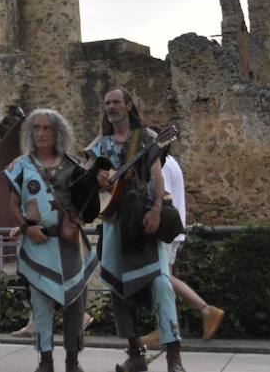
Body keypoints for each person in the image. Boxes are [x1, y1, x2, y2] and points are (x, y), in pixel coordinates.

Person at [85, 88, 183, 372]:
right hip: (115, 224)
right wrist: (98, 178)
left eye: (116, 102)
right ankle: (136, 354)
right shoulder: (99, 144)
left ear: (128, 105)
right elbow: (86, 174)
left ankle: (174, 357)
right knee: (118, 288)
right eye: (107, 103)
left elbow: (156, 176)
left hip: (143, 219)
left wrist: (155, 209)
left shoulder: (146, 139)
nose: (111, 107)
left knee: (162, 284)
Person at [3, 109, 98, 372]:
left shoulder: (73, 165)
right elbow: (13, 204)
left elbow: (88, 204)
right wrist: (25, 227)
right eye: (37, 128)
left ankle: (72, 362)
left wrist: (78, 216)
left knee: (74, 307)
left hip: (70, 246)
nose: (42, 133)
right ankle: (45, 361)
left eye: (47, 129)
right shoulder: (20, 165)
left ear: (58, 133)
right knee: (41, 307)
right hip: (38, 245)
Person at [140, 155, 224, 345]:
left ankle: (204, 310)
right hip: (173, 229)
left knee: (163, 278)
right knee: (164, 278)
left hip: (166, 230)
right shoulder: (171, 162)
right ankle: (167, 325)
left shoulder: (160, 164)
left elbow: (162, 195)